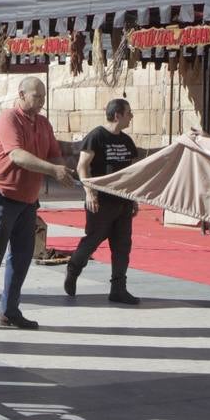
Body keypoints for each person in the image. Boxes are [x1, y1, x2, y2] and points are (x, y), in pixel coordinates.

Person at [0, 77, 76, 331]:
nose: (41, 102)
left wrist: (63, 169)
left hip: (27, 199)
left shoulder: (44, 124)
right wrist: (52, 169)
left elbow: (53, 153)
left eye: (44, 97)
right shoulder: (8, 119)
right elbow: (17, 155)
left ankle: (9, 311)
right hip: (1, 193)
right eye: (37, 97)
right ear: (22, 94)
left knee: (23, 255)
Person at [65, 98, 141, 304]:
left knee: (122, 246)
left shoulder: (127, 141)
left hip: (122, 202)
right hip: (101, 202)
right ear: (117, 115)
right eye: (129, 113)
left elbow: (130, 173)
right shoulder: (96, 136)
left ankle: (118, 289)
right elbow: (82, 166)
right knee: (92, 241)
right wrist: (89, 193)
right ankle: (73, 269)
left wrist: (133, 199)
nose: (131, 116)